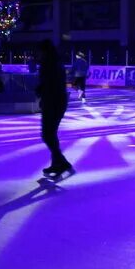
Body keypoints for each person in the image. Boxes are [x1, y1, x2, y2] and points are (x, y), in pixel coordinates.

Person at [36, 39, 75, 178]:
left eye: (40, 52)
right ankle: (57, 163)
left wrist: (40, 91)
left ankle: (61, 162)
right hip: (56, 102)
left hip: (54, 103)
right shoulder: (54, 64)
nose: (38, 54)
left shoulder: (49, 65)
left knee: (47, 134)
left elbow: (50, 85)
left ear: (45, 52)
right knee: (50, 134)